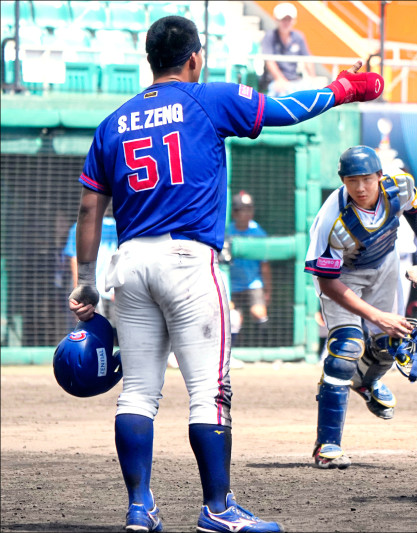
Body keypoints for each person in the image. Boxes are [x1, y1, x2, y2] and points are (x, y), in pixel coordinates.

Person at [66, 14, 383, 533]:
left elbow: (88, 211)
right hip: (188, 262)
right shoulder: (205, 98)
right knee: (207, 389)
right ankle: (217, 507)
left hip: (129, 263)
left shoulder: (114, 120)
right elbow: (284, 111)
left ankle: (141, 507)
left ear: (150, 61)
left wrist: (85, 280)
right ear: (194, 58)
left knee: (138, 392)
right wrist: (344, 89)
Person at [304, 145, 417, 469]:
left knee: (388, 344)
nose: (361, 188)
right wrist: (375, 315)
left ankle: (365, 381)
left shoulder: (398, 186)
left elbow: (416, 207)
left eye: (367, 179)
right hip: (343, 279)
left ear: (380, 176)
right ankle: (326, 447)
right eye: (353, 181)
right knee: (345, 350)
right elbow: (327, 282)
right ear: (343, 181)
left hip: (384, 265)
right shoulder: (332, 220)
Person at [226, 190, 272, 346]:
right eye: (241, 210)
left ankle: (266, 347)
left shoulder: (258, 233)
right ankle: (232, 352)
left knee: (258, 313)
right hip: (232, 284)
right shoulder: (227, 231)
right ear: (234, 213)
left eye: (249, 209)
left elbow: (265, 265)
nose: (246, 213)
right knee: (233, 318)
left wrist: (267, 290)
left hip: (253, 283)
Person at [63, 205, 117, 324]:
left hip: (102, 294)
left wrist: (80, 296)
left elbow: (74, 260)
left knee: (94, 334)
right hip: (99, 294)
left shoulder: (116, 226)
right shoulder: (120, 226)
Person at [260, 2, 316, 97]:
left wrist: (314, 79)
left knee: (310, 93)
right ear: (276, 20)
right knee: (279, 93)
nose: (286, 22)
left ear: (294, 20)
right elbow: (269, 62)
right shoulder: (270, 36)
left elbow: (308, 60)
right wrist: (279, 79)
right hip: (274, 82)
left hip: (294, 81)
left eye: (289, 19)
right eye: (283, 19)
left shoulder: (299, 37)